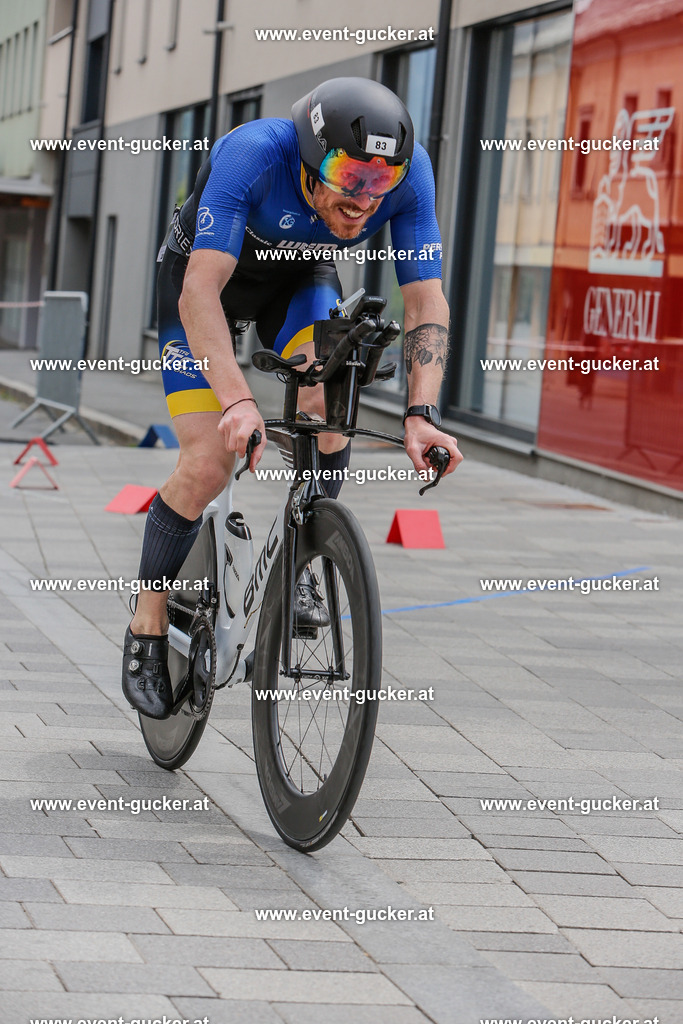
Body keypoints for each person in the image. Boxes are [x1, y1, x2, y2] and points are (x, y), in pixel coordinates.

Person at [122, 76, 463, 719]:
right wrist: (236, 402)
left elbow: (425, 299)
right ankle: (145, 622)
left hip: (301, 277)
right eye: (347, 175)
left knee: (329, 409)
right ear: (308, 161)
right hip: (205, 280)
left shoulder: (409, 173)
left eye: (379, 182)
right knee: (206, 464)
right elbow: (200, 290)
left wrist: (423, 414)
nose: (365, 199)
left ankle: (302, 559)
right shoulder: (254, 152)